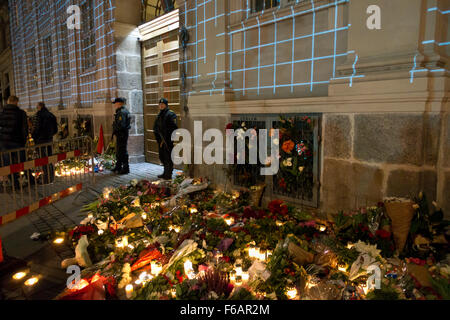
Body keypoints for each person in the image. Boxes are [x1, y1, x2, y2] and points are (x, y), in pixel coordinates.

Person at [0, 96, 28, 189]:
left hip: (5, 143)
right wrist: (24, 141)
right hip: (18, 142)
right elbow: (24, 129)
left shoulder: (2, 113)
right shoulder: (21, 113)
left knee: (8, 164)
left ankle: (15, 183)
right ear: (16, 102)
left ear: (8, 102)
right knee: (22, 162)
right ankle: (28, 179)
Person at [31, 102, 58, 184]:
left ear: (39, 107)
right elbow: (55, 129)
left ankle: (46, 179)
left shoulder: (38, 115)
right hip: (49, 139)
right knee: (50, 158)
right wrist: (50, 135)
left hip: (40, 140)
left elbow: (36, 128)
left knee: (43, 159)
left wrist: (35, 137)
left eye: (37, 107)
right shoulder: (51, 115)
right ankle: (52, 177)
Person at [153, 98, 177, 180]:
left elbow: (173, 128)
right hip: (160, 140)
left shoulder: (170, 114)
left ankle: (168, 174)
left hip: (167, 140)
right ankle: (165, 172)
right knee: (162, 157)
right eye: (160, 104)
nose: (161, 105)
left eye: (162, 104)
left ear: (166, 105)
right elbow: (156, 126)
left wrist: (166, 138)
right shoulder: (159, 114)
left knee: (168, 158)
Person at [111, 97, 131, 174]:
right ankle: (118, 166)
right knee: (119, 151)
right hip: (122, 134)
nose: (115, 105)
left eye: (115, 103)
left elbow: (121, 125)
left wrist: (116, 129)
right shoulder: (123, 111)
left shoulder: (121, 112)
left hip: (121, 134)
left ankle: (125, 168)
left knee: (122, 151)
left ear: (119, 103)